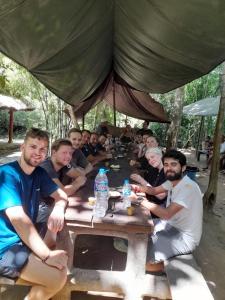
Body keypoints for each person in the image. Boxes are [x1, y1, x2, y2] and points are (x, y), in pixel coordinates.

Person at [0, 128, 68, 299]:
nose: (38, 153)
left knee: (61, 259)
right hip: (5, 246)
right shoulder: (7, 174)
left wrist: (58, 208)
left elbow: (62, 195)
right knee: (56, 277)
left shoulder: (39, 173)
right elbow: (19, 219)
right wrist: (46, 256)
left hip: (22, 241)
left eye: (42, 149)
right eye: (33, 147)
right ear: (22, 148)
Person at [138, 149, 203, 272]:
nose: (169, 168)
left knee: (143, 261)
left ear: (183, 168)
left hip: (184, 236)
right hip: (170, 225)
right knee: (141, 229)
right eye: (166, 165)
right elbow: (154, 191)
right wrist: (137, 188)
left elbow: (166, 214)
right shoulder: (172, 182)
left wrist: (141, 202)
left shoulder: (188, 187)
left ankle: (171, 267)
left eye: (174, 164)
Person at [130, 147, 167, 218]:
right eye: (149, 159)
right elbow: (148, 186)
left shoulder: (167, 172)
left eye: (152, 157)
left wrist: (141, 180)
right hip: (149, 202)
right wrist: (136, 187)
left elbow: (160, 196)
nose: (151, 160)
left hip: (159, 210)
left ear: (160, 155)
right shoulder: (154, 170)